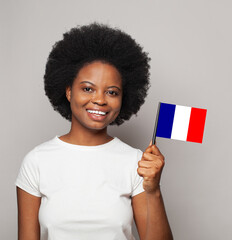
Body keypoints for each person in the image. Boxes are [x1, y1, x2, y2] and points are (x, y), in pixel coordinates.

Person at [14, 22, 173, 240]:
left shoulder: (137, 162)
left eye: (112, 92)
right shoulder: (37, 162)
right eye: (88, 88)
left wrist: (153, 191)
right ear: (69, 92)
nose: (99, 99)